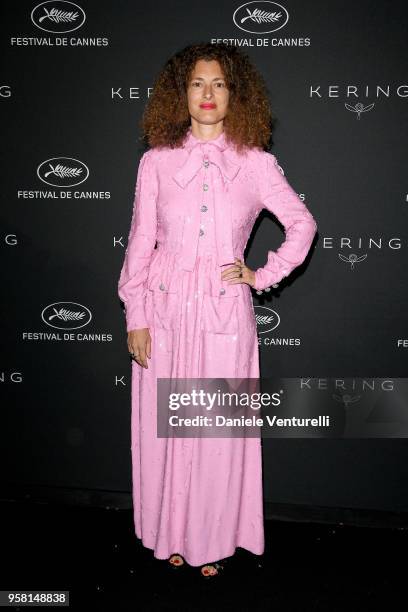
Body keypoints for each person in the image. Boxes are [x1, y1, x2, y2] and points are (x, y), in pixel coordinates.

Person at [118, 41, 317, 578]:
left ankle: (213, 539)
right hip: (161, 311)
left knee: (212, 431)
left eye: (220, 84)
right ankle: (169, 533)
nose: (208, 94)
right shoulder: (156, 162)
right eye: (197, 83)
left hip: (223, 312)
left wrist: (262, 274)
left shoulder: (256, 163)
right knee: (164, 426)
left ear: (236, 94)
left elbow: (302, 225)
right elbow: (140, 242)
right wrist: (135, 314)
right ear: (180, 94)